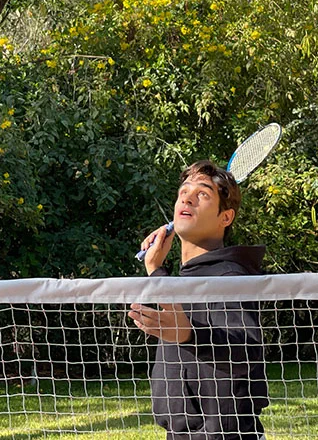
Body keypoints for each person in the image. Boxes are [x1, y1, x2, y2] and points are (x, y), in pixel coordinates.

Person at [129, 160, 269, 440]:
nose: (187, 198)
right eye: (183, 191)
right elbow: (180, 315)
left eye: (202, 193)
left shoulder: (229, 276)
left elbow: (247, 351)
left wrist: (189, 335)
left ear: (225, 217)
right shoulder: (187, 279)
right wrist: (155, 269)